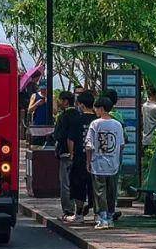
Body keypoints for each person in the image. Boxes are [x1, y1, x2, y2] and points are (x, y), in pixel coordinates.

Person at [86, 93, 125, 229]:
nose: (95, 111)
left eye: (96, 108)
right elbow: (121, 145)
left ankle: (102, 218)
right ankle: (110, 217)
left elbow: (89, 145)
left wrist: (88, 162)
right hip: (113, 164)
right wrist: (118, 160)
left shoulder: (95, 124)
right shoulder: (117, 125)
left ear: (101, 109)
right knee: (111, 192)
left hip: (98, 164)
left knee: (99, 192)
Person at [69, 88, 97, 221]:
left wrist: (71, 154)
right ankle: (98, 214)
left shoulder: (76, 120)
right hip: (96, 159)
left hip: (80, 157)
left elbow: (71, 139)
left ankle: (78, 214)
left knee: (78, 185)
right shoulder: (98, 120)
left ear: (82, 105)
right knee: (95, 186)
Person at [50, 90, 77, 221]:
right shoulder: (79, 114)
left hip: (66, 153)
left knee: (65, 183)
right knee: (77, 182)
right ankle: (79, 210)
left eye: (60, 100)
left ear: (65, 101)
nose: (59, 103)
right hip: (80, 154)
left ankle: (68, 210)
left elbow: (58, 135)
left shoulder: (63, 117)